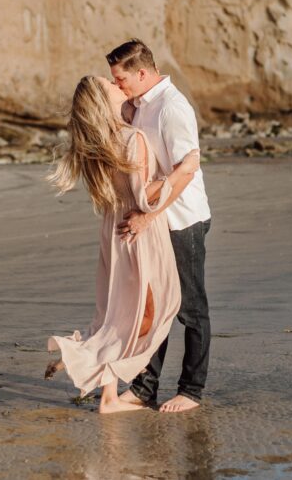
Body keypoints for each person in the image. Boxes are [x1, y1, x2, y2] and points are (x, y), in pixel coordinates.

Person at [45, 75, 201, 414]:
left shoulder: (95, 145)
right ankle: (91, 361)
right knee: (158, 309)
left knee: (118, 312)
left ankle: (106, 389)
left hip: (112, 231)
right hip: (139, 234)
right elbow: (145, 200)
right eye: (111, 85)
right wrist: (180, 171)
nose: (119, 86)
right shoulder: (132, 139)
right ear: (105, 100)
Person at [107, 39, 212, 413]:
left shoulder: (172, 108)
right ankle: (144, 388)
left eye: (121, 79)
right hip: (153, 222)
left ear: (141, 72)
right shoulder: (138, 107)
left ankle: (191, 391)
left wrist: (149, 215)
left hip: (183, 219)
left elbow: (187, 168)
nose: (119, 86)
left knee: (189, 308)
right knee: (152, 307)